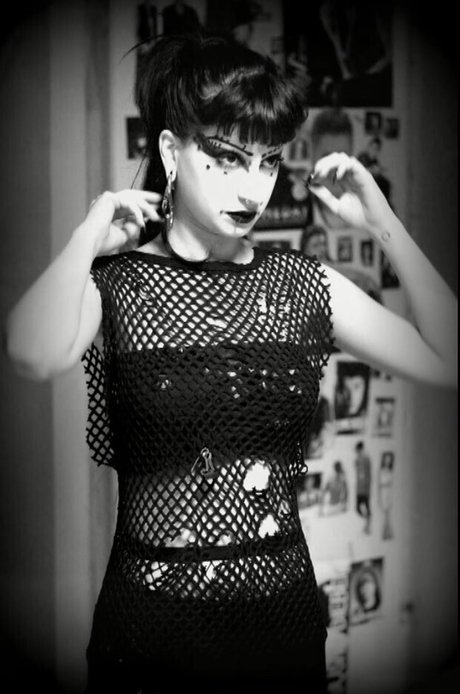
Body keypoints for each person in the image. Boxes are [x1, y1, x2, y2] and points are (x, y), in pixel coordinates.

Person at [3, 28, 457, 694]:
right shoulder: (122, 285)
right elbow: (30, 352)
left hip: (282, 628)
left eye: (269, 162)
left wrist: (382, 223)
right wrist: (89, 232)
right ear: (171, 152)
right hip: (151, 635)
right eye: (227, 157)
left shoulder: (302, 285)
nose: (253, 187)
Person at [354, 441, 372, 534]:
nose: (357, 451)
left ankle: (367, 526)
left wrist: (368, 488)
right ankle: (367, 522)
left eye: (358, 450)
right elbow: (358, 474)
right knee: (358, 508)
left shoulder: (366, 459)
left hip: (365, 488)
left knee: (367, 507)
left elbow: (368, 474)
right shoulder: (357, 460)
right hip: (359, 488)